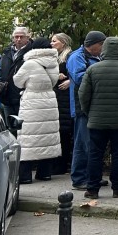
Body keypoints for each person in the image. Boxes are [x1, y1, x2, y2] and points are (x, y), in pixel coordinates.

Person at [78, 37, 118, 200]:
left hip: (96, 120)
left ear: (104, 50)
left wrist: (89, 112)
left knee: (95, 154)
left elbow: (83, 95)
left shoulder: (93, 69)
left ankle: (92, 189)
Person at [12, 38, 62, 183]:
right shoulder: (53, 63)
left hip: (32, 102)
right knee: (47, 137)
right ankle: (45, 173)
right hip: (50, 101)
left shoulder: (30, 63)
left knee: (28, 138)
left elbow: (17, 81)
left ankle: (25, 176)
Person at [67, 32, 106, 190]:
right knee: (83, 144)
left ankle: (91, 175)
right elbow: (80, 78)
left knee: (89, 143)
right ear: (93, 44)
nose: (103, 48)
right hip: (81, 107)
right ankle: (79, 178)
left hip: (91, 106)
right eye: (101, 44)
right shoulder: (77, 57)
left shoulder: (96, 57)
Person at [49, 34, 74, 176]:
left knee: (64, 132)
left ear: (63, 43)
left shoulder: (69, 56)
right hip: (58, 96)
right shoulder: (55, 57)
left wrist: (70, 80)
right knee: (59, 131)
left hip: (65, 97)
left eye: (54, 41)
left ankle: (63, 164)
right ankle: (59, 163)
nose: (51, 43)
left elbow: (77, 73)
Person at [0, 25, 32, 115]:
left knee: (23, 127)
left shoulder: (32, 52)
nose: (18, 39)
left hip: (23, 97)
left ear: (28, 38)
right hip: (7, 97)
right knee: (10, 126)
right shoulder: (7, 52)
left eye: (21, 37)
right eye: (16, 37)